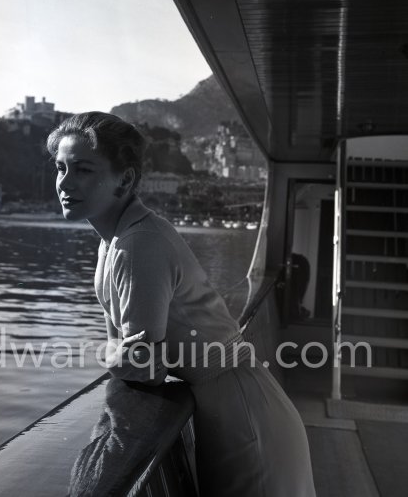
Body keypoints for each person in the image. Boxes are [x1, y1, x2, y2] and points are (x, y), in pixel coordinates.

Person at [47, 112, 316, 497]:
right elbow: (125, 351)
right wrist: (116, 354)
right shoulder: (115, 241)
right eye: (61, 168)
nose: (65, 183)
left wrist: (110, 356)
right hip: (229, 405)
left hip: (243, 417)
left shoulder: (138, 244)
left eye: (83, 169)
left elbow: (143, 367)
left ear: (125, 179)